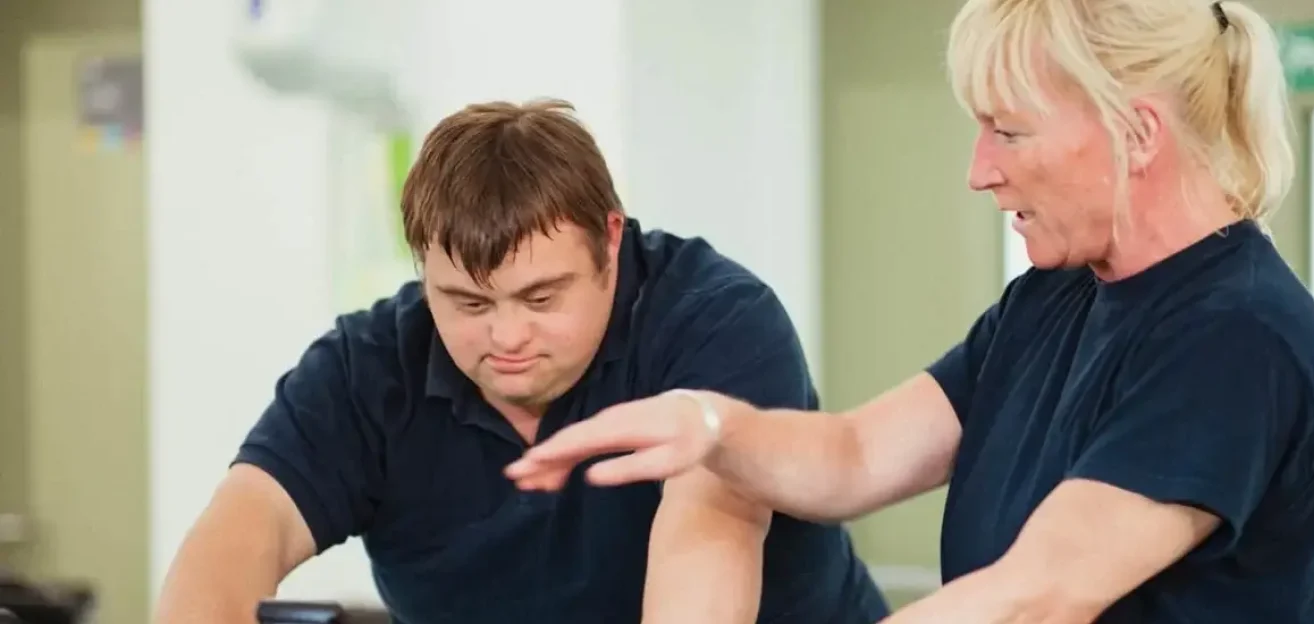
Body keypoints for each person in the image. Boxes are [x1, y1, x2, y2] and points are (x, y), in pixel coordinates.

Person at [506, 0, 1314, 622]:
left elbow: (1040, 593)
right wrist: (712, 429)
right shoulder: (1052, 299)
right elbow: (856, 455)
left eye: (1008, 132)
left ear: (1137, 132)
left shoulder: (1237, 334)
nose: (981, 171)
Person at [154, 99, 889, 624]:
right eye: (469, 304)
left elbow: (709, 544)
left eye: (540, 298)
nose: (506, 336)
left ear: (609, 240)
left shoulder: (713, 321)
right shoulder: (367, 370)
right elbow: (240, 532)